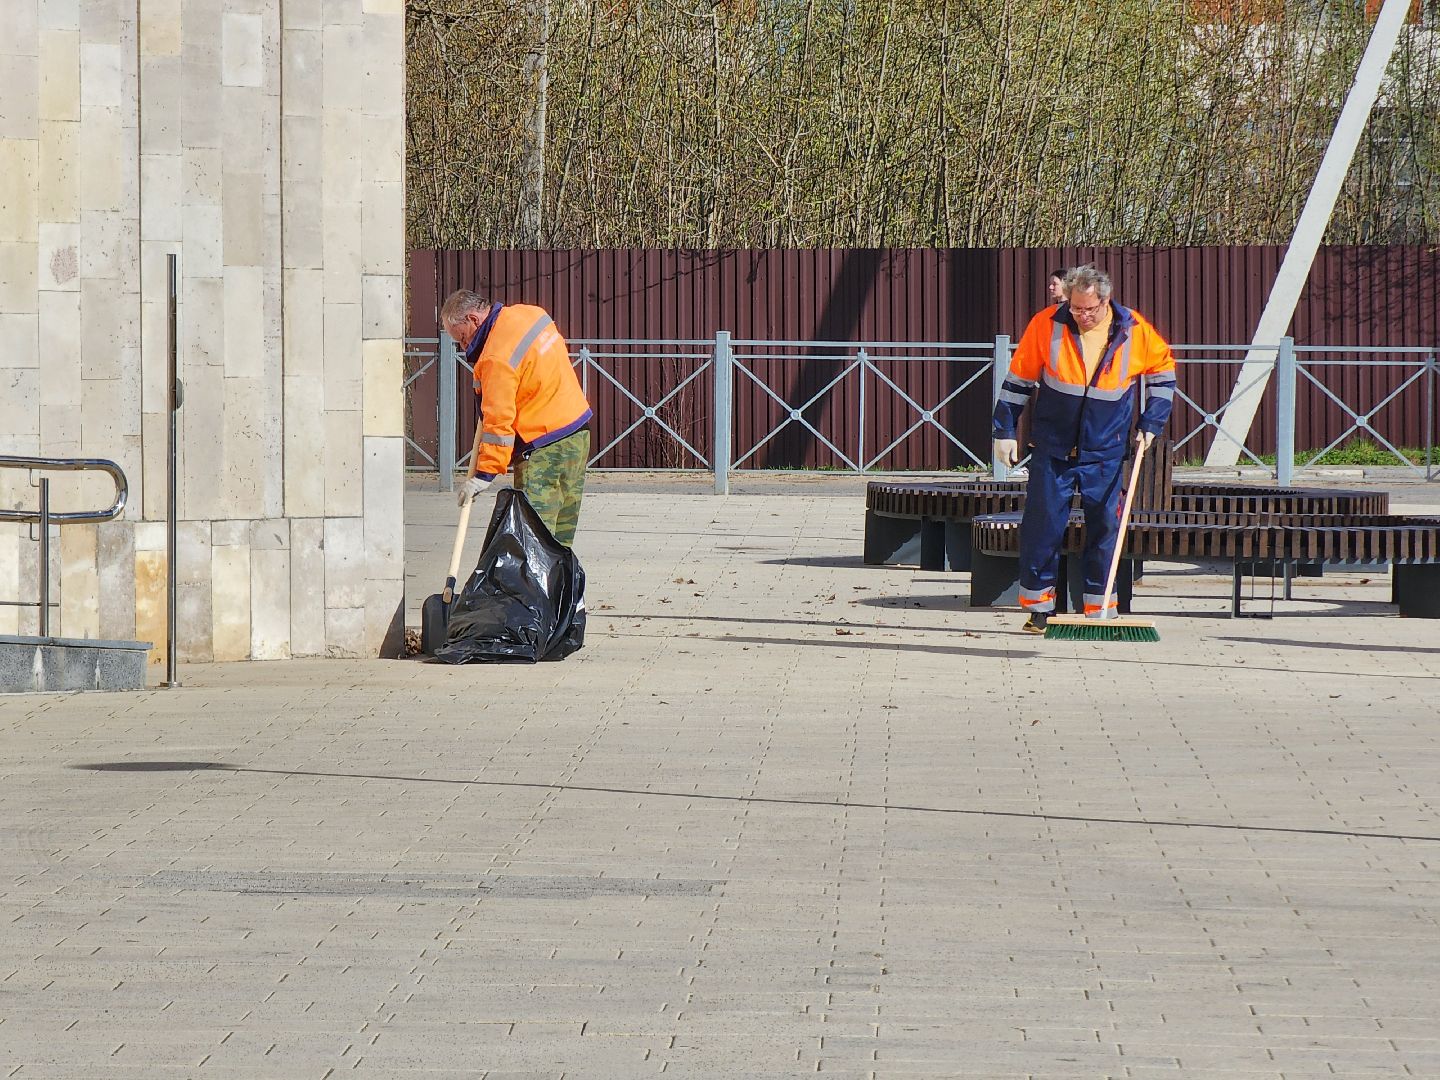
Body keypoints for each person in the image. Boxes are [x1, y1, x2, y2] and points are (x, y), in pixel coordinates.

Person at [991, 265, 1176, 633]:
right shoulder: (1046, 324)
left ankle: (1099, 607)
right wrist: (1004, 429)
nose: (1082, 316)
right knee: (1042, 527)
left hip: (1105, 448)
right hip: (1053, 446)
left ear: (1105, 301)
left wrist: (1151, 422)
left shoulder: (1133, 329)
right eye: (1075, 308)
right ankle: (1039, 609)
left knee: (1106, 527)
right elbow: (1018, 379)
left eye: (1088, 309)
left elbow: (1163, 372)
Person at [441, 290, 593, 546]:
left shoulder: (494, 356)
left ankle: (536, 587)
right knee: (560, 539)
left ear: (473, 319)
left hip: (544, 449)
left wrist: (483, 476)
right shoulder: (531, 314)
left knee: (534, 540)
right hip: (577, 433)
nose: (464, 347)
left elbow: (498, 423)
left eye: (463, 338)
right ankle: (562, 585)